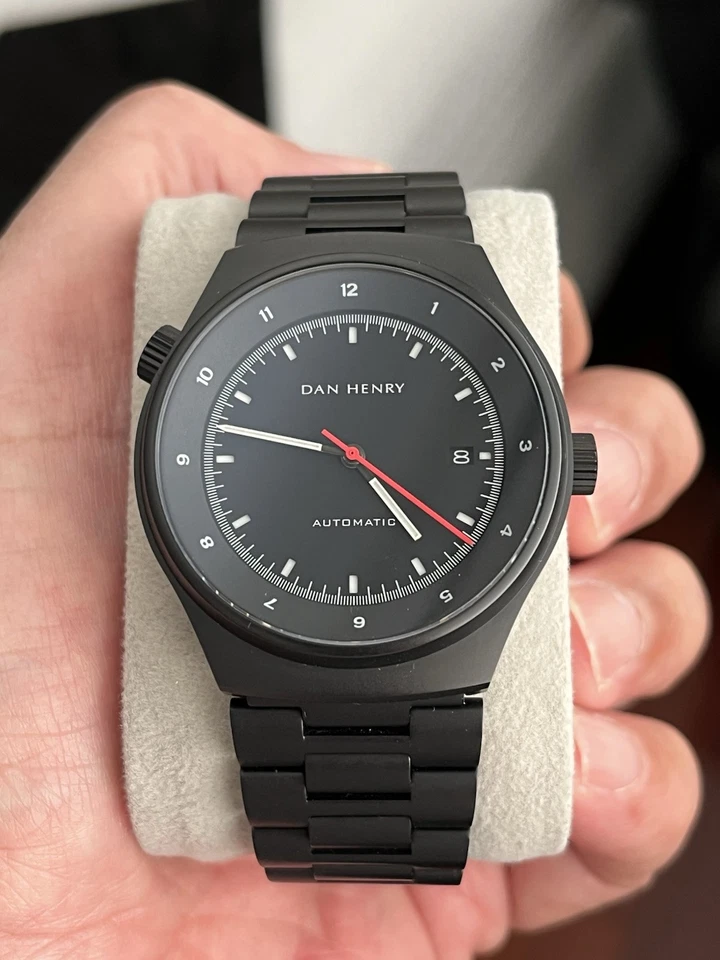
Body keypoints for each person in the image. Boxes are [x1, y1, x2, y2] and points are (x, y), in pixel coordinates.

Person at [0, 82, 709, 959]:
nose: (353, 455)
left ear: (571, 465)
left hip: (424, 647)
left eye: (358, 455)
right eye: (346, 452)